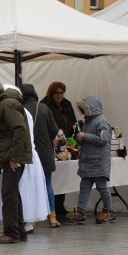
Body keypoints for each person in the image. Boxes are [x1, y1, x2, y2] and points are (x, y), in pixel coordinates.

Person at [0, 79, 32, 244]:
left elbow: (20, 130)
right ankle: (19, 231)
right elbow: (1, 134)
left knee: (8, 194)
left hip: (12, 157)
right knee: (12, 194)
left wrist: (15, 158)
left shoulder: (6, 105)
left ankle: (11, 233)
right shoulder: (2, 104)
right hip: (8, 154)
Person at [64, 95, 116, 225]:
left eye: (85, 108)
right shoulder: (88, 121)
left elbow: (103, 139)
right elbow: (90, 139)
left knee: (102, 187)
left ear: (92, 108)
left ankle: (109, 212)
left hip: (98, 161)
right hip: (89, 160)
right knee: (84, 186)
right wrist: (79, 139)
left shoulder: (101, 121)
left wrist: (85, 136)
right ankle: (81, 212)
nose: (83, 111)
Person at [21, 83, 60, 227]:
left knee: (29, 186)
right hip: (45, 152)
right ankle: (52, 217)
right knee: (48, 184)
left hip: (28, 153)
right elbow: (54, 130)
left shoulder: (20, 109)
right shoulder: (44, 108)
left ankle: (32, 218)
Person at [41, 81, 77, 214]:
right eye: (56, 93)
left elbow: (73, 123)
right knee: (54, 178)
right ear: (51, 93)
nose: (59, 95)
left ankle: (60, 205)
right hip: (51, 145)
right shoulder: (44, 106)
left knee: (64, 177)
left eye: (61, 93)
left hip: (67, 145)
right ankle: (52, 207)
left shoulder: (67, 105)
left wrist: (72, 141)